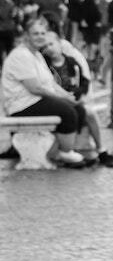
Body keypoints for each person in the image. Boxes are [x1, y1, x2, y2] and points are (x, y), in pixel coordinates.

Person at [2, 17, 88, 166]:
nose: (40, 36)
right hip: (22, 105)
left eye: (43, 33)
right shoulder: (21, 55)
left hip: (35, 101)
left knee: (78, 109)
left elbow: (51, 84)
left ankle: (57, 151)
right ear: (26, 36)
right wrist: (61, 99)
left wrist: (67, 96)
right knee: (67, 112)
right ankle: (65, 153)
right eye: (35, 33)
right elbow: (35, 88)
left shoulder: (37, 55)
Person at [41, 31, 113, 168]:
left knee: (89, 113)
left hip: (73, 99)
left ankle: (101, 149)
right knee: (73, 112)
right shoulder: (44, 64)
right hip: (55, 101)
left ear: (60, 43)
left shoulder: (71, 62)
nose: (49, 49)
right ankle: (67, 151)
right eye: (45, 46)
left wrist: (77, 93)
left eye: (51, 44)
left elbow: (84, 82)